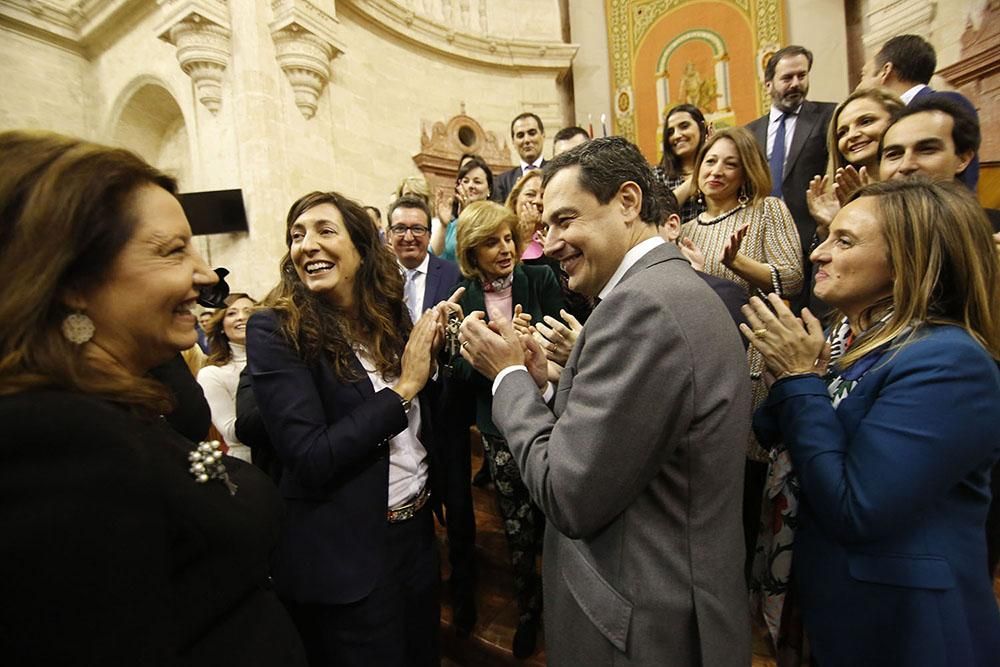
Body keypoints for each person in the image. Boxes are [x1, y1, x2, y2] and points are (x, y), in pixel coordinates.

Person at [0, 130, 307, 665]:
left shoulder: (115, 402)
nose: (206, 273)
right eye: (172, 251)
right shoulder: (54, 442)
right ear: (72, 279)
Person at [457, 137, 751, 665]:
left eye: (566, 220)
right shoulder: (660, 289)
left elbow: (568, 491)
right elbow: (629, 433)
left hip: (643, 623)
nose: (548, 244)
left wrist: (506, 379)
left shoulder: (643, 306)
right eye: (544, 226)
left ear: (628, 202)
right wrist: (546, 384)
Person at [744, 178, 1000, 665]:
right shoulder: (850, 342)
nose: (818, 253)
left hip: (905, 627)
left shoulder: (948, 361)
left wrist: (800, 377)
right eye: (827, 236)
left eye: (844, 241)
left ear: (910, 261)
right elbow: (769, 430)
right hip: (832, 605)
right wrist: (801, 371)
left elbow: (857, 507)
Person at [245, 190, 447, 666]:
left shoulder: (388, 312)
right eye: (297, 236)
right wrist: (403, 388)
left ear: (361, 247)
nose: (307, 245)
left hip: (415, 536)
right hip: (348, 556)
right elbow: (311, 456)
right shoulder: (275, 330)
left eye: (324, 230)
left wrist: (438, 357)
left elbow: (417, 418)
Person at [680, 125, 802, 580]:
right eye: (710, 161)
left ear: (746, 170)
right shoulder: (687, 227)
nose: (717, 170)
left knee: (745, 477)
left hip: (749, 358)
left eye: (730, 163)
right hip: (698, 364)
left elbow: (791, 278)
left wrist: (736, 265)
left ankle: (741, 582)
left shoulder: (766, 211)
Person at [445, 200, 564, 658]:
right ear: (472, 253)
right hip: (497, 431)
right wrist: (488, 354)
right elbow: (459, 378)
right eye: (491, 242)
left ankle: (559, 604)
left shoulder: (542, 279)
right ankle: (529, 611)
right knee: (517, 527)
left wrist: (530, 344)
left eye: (508, 237)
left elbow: (563, 350)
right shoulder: (464, 299)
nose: (505, 248)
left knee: (556, 519)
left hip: (549, 416)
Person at [387, 194, 477, 636]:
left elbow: (466, 343)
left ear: (429, 234)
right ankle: (421, 590)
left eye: (417, 228)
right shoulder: (376, 281)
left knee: (458, 507)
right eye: (400, 228)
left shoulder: (452, 274)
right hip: (395, 415)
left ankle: (464, 597)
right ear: (388, 236)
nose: (409, 236)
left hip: (445, 409)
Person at [746, 45, 835, 311]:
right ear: (769, 84)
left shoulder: (829, 116)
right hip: (763, 241)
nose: (796, 84)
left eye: (801, 76)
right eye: (787, 78)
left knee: (815, 314)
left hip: (812, 236)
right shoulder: (750, 132)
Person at [858, 33, 980, 189]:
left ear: (885, 71)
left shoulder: (946, 104)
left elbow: (965, 183)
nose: (858, 86)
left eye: (863, 75)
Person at [806, 87, 904, 234]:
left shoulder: (919, 188)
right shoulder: (838, 196)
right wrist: (830, 226)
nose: (852, 135)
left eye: (866, 121)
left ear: (897, 121)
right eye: (842, 132)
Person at [197, 293, 256, 462]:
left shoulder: (281, 360)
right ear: (221, 325)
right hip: (250, 460)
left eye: (249, 312)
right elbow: (231, 431)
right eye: (232, 313)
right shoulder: (212, 373)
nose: (242, 317)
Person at [430, 155, 493, 262]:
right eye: (466, 181)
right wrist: (443, 225)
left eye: (477, 182)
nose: (470, 186)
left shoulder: (495, 220)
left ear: (489, 189)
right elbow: (433, 256)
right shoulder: (453, 224)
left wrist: (468, 218)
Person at [653, 103, 710, 222]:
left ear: (702, 127)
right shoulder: (658, 175)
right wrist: (694, 179)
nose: (677, 135)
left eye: (684, 126)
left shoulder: (718, 168)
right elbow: (658, 212)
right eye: (670, 132)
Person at [493, 112, 546, 204]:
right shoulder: (502, 182)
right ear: (513, 142)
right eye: (520, 135)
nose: (527, 140)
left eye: (532, 133)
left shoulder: (556, 172)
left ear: (543, 135)